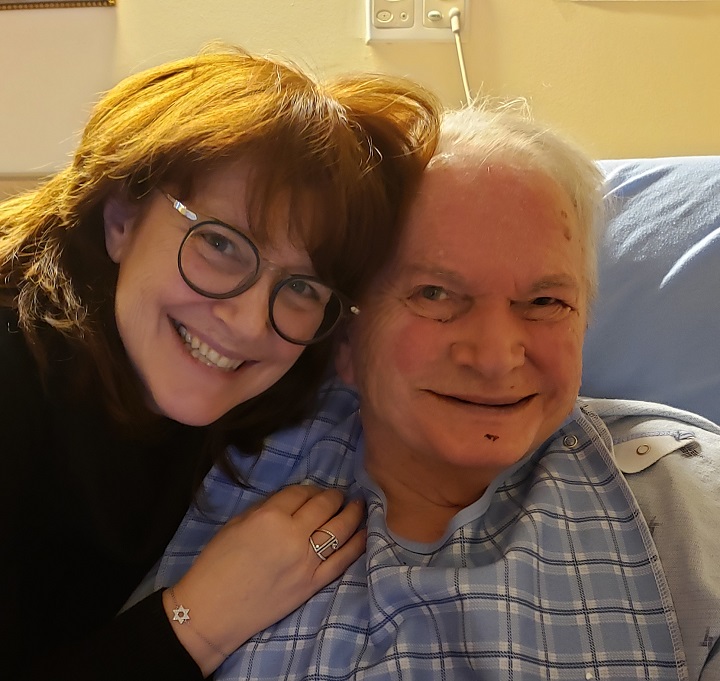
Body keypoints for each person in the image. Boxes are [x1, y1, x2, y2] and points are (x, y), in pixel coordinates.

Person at [142, 104, 720, 680]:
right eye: (435, 294)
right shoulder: (215, 456)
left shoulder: (683, 494)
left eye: (545, 302)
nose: (495, 358)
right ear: (346, 335)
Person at [0, 46, 441, 679]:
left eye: (302, 286)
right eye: (220, 243)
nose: (249, 322)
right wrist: (198, 622)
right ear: (121, 218)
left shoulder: (293, 388)